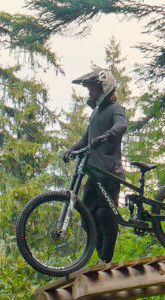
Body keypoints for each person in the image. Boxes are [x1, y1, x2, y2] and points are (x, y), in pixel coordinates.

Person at [62, 69, 128, 263]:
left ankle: (106, 259)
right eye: (89, 89)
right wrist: (71, 150)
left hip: (109, 171)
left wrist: (108, 135)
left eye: (92, 88)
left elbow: (121, 125)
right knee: (88, 215)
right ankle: (101, 257)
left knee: (105, 213)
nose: (90, 92)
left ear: (104, 88)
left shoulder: (116, 109)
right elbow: (85, 140)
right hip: (93, 172)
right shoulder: (95, 114)